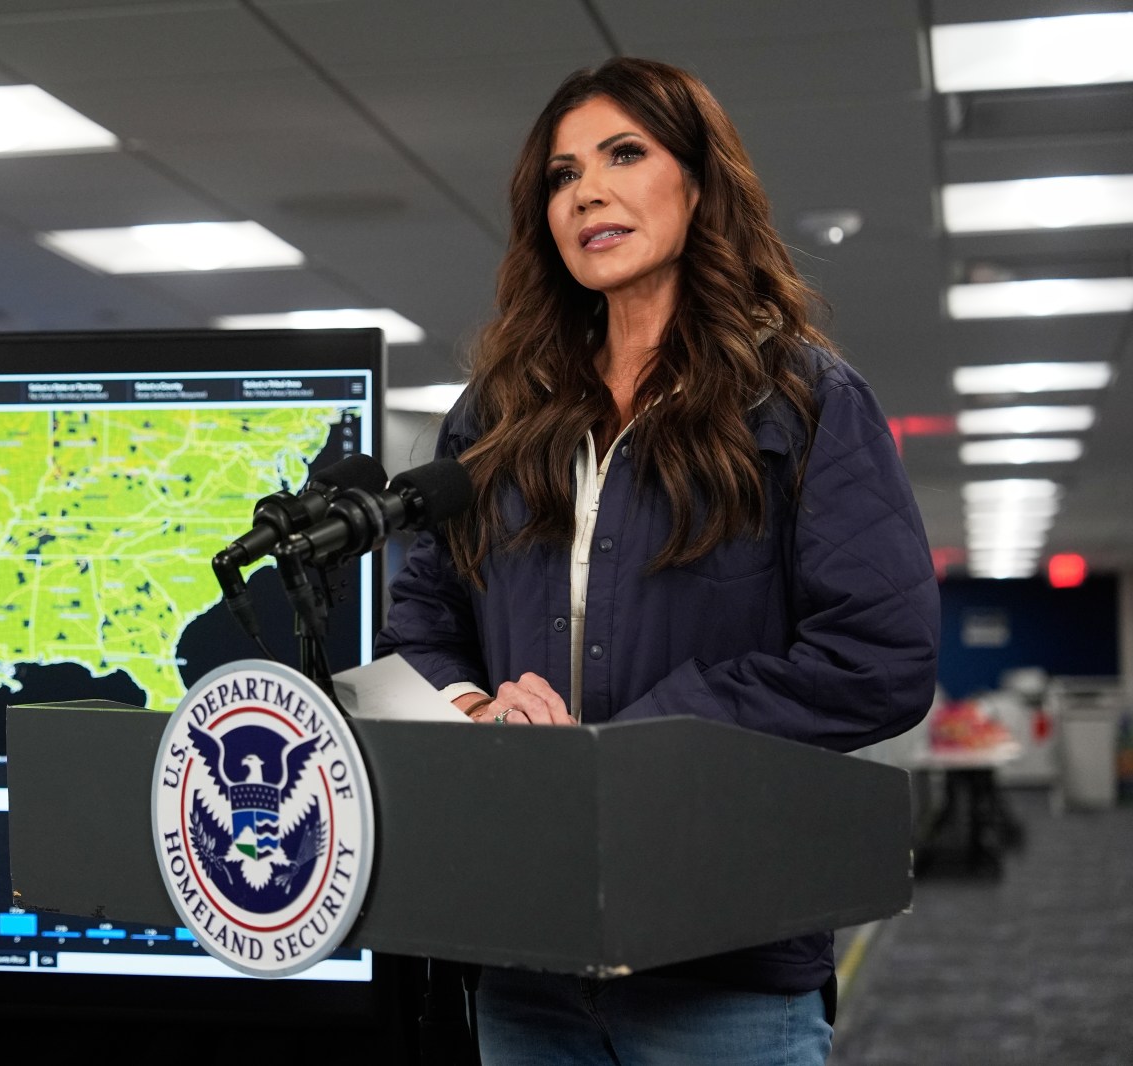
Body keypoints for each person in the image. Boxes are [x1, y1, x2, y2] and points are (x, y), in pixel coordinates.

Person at [375, 56, 940, 1065]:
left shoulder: (803, 403)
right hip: (526, 958)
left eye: (623, 154)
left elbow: (879, 656)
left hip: (725, 962)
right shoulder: (498, 418)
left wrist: (639, 744)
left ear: (697, 179)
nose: (587, 189)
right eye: (560, 174)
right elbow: (417, 626)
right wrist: (476, 713)